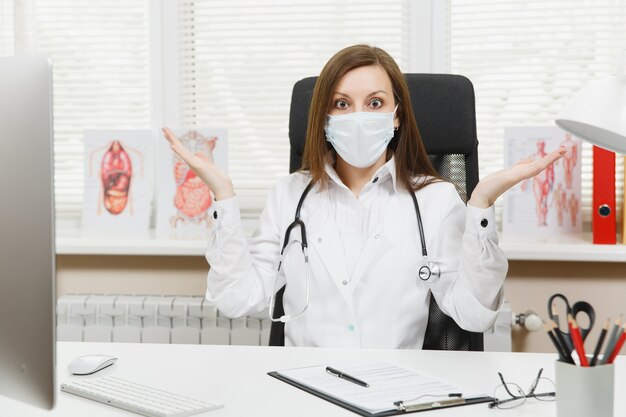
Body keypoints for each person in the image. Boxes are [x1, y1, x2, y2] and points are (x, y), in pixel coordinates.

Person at [161, 45, 564, 349]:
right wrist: (224, 198)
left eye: (374, 103)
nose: (358, 116)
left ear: (396, 115)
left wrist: (480, 207)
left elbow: (474, 315)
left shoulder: (437, 200)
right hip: (306, 390)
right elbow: (235, 299)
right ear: (323, 117)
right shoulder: (290, 195)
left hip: (400, 392)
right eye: (342, 104)